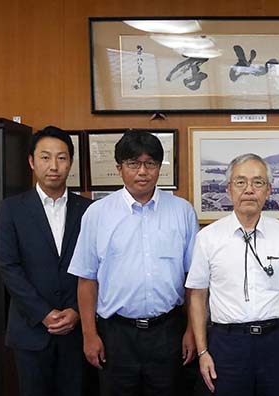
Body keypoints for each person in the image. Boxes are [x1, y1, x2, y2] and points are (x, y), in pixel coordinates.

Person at [68, 130, 199, 396]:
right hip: (116, 334)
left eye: (150, 164)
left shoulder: (182, 211)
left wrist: (191, 330)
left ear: (159, 168)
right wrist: (89, 335)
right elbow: (86, 279)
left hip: (168, 331)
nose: (142, 172)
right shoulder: (97, 213)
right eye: (133, 164)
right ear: (119, 168)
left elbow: (193, 279)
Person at [186, 153, 279, 396]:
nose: (249, 190)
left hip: (276, 342)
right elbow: (197, 296)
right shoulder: (208, 238)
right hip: (228, 344)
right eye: (240, 182)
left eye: (258, 182)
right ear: (229, 189)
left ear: (268, 190)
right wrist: (203, 352)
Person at [0, 126, 93, 396]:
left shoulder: (88, 210)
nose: (54, 166)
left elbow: (96, 266)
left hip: (77, 331)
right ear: (31, 161)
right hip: (30, 331)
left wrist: (74, 310)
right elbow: (9, 267)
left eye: (61, 158)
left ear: (70, 163)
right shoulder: (11, 209)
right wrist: (44, 314)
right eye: (46, 157)